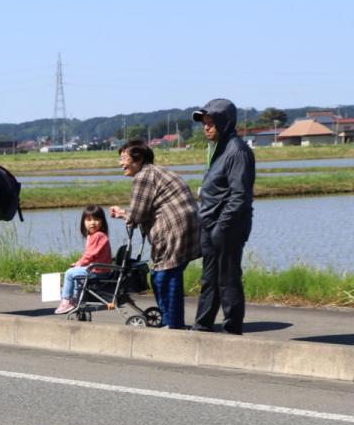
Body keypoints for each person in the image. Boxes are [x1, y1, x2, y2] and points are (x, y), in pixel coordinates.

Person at [109, 140, 201, 329]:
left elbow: (137, 215)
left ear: (139, 159)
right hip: (185, 227)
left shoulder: (143, 176)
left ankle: (174, 325)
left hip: (172, 229)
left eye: (123, 159)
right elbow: (141, 212)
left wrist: (125, 214)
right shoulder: (155, 171)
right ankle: (169, 321)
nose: (120, 164)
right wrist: (125, 214)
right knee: (162, 275)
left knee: (166, 275)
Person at [191, 98, 255, 335]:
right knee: (209, 280)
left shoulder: (237, 151)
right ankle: (202, 325)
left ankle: (232, 330)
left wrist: (221, 228)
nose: (206, 128)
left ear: (225, 123)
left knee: (228, 280)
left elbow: (240, 197)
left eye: (211, 123)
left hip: (227, 227)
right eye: (204, 123)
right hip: (209, 225)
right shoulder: (218, 149)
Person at [54, 205, 113, 314]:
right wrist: (78, 263)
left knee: (69, 273)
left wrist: (80, 264)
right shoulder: (94, 236)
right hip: (96, 269)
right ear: (83, 222)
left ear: (102, 221)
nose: (92, 223)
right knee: (76, 273)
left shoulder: (99, 236)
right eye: (89, 220)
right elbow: (89, 255)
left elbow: (90, 255)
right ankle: (76, 299)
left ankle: (66, 301)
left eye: (96, 219)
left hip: (98, 271)